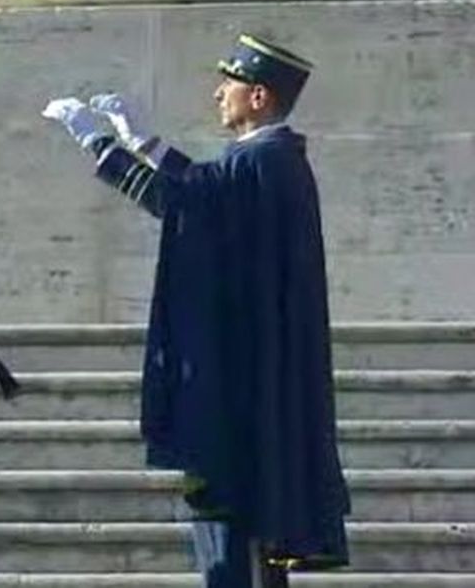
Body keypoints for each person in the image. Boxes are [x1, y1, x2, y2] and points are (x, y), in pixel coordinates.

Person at [41, 34, 350, 588]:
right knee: (234, 540)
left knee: (238, 547)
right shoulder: (261, 165)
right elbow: (199, 197)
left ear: (258, 97)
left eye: (227, 85)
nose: (216, 95)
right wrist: (141, 145)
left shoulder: (268, 161)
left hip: (244, 392)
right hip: (244, 382)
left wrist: (105, 146)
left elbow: (187, 201)